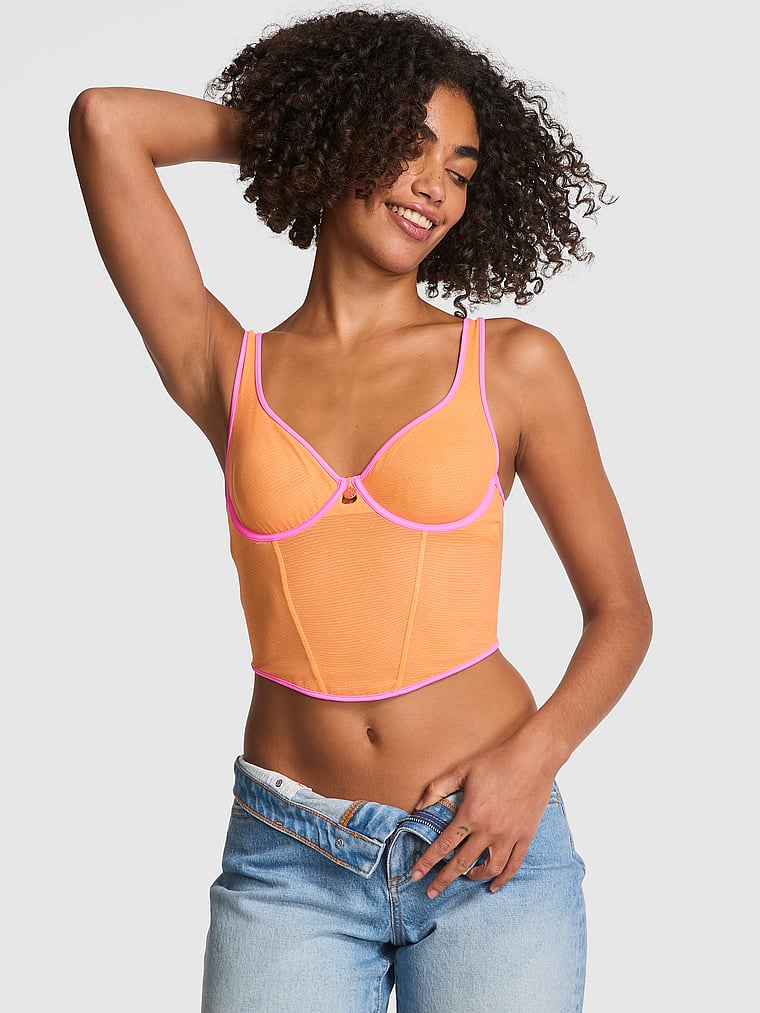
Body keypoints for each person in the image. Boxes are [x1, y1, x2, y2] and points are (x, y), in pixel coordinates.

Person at [69, 8, 652, 1011]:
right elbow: (105, 121)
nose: (433, 186)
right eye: (406, 146)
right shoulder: (227, 368)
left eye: (459, 170)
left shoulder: (510, 364)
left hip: (484, 846)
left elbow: (621, 612)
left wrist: (530, 763)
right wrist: (314, 133)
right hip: (287, 856)